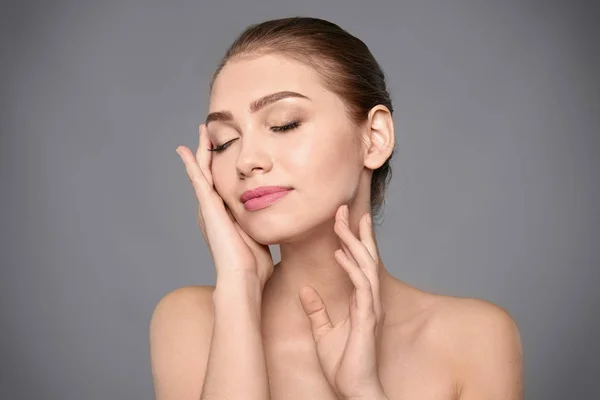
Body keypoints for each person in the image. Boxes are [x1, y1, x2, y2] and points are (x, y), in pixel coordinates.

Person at [149, 16, 523, 400]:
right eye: (224, 141)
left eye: (283, 124)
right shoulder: (193, 322)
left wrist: (363, 391)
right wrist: (239, 290)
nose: (246, 160)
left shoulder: (475, 339)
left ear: (375, 138)